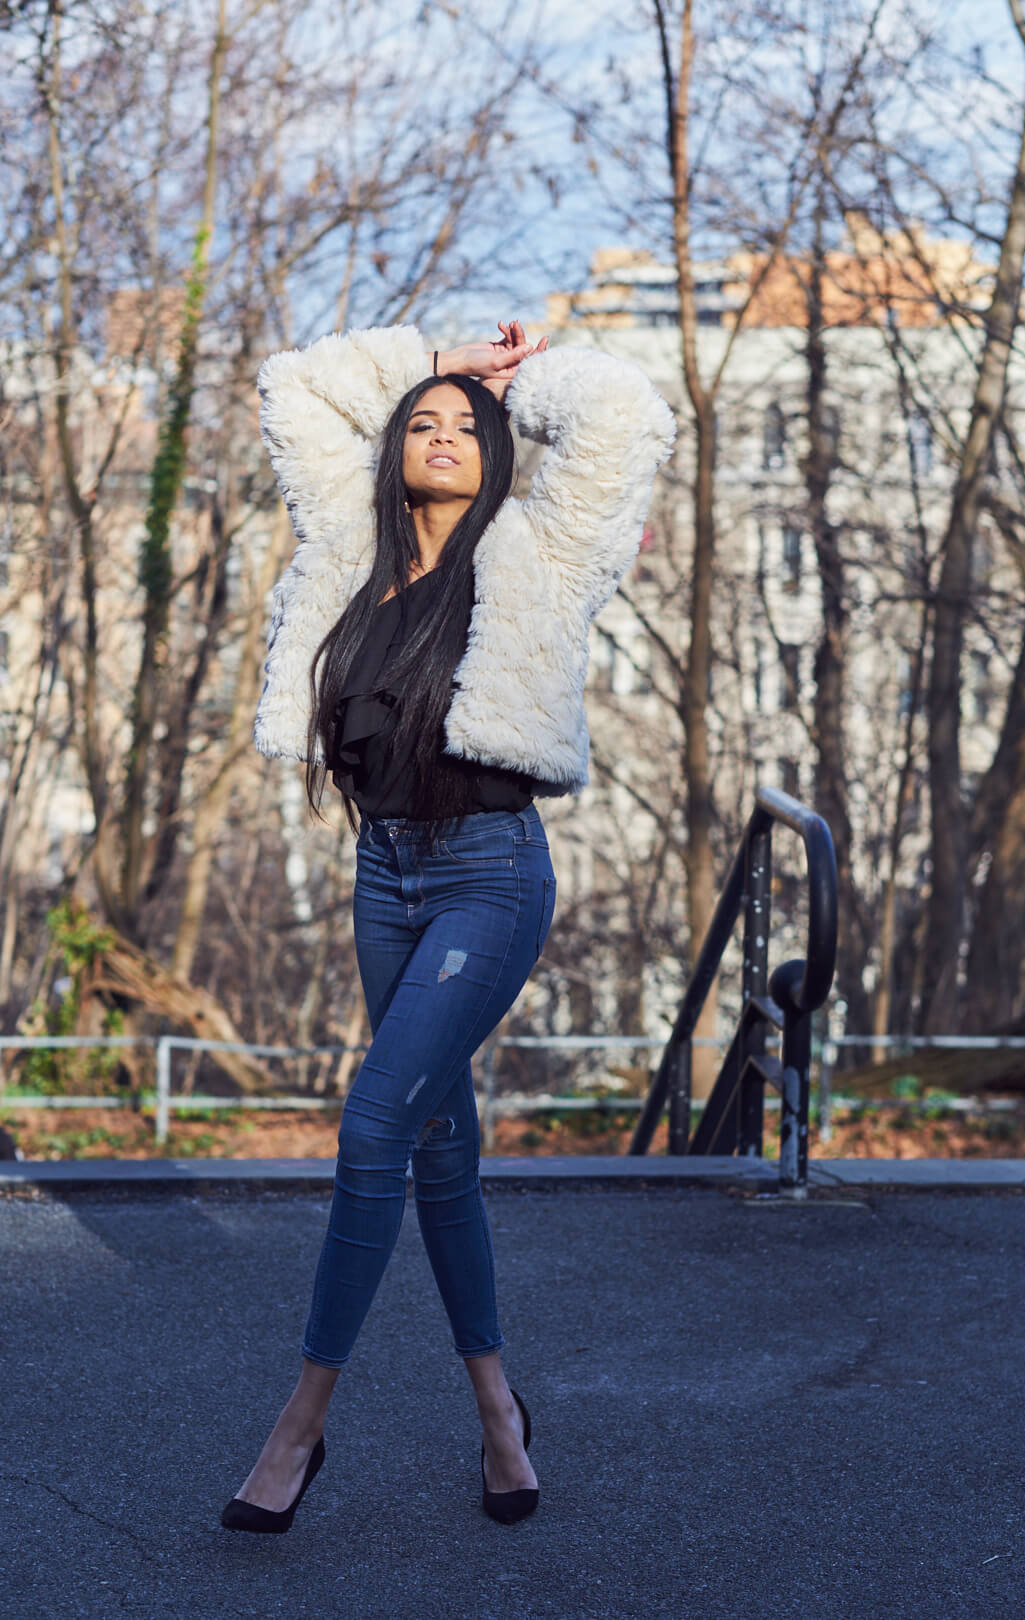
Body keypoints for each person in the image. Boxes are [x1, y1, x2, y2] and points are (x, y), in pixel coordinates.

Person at [220, 319, 675, 1533]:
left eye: (463, 426)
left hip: (490, 874)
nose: (438, 433)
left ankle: (298, 1428)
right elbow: (296, 384)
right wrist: (439, 357)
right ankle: (496, 1413)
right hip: (386, 878)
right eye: (419, 421)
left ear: (500, 451)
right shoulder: (349, 552)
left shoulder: (539, 548)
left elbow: (622, 409)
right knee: (436, 1152)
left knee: (373, 1123)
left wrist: (511, 382)